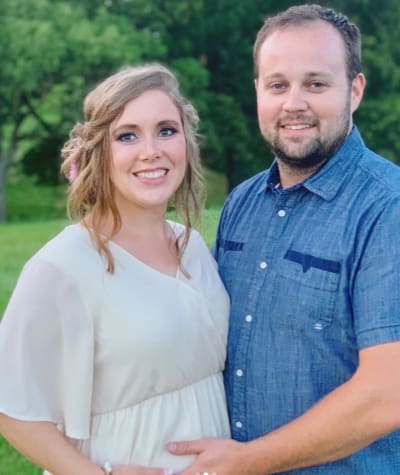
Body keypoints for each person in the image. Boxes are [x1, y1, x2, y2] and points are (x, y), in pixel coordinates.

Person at [166, 4, 400, 474]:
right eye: (278, 85)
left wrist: (248, 461)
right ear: (258, 91)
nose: (295, 103)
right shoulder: (242, 204)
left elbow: (387, 393)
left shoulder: (387, 208)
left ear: (354, 90)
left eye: (316, 84)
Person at [0, 63, 230, 475]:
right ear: (99, 152)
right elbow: (10, 405)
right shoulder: (63, 266)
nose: (151, 151)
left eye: (166, 130)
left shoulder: (193, 247)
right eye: (127, 136)